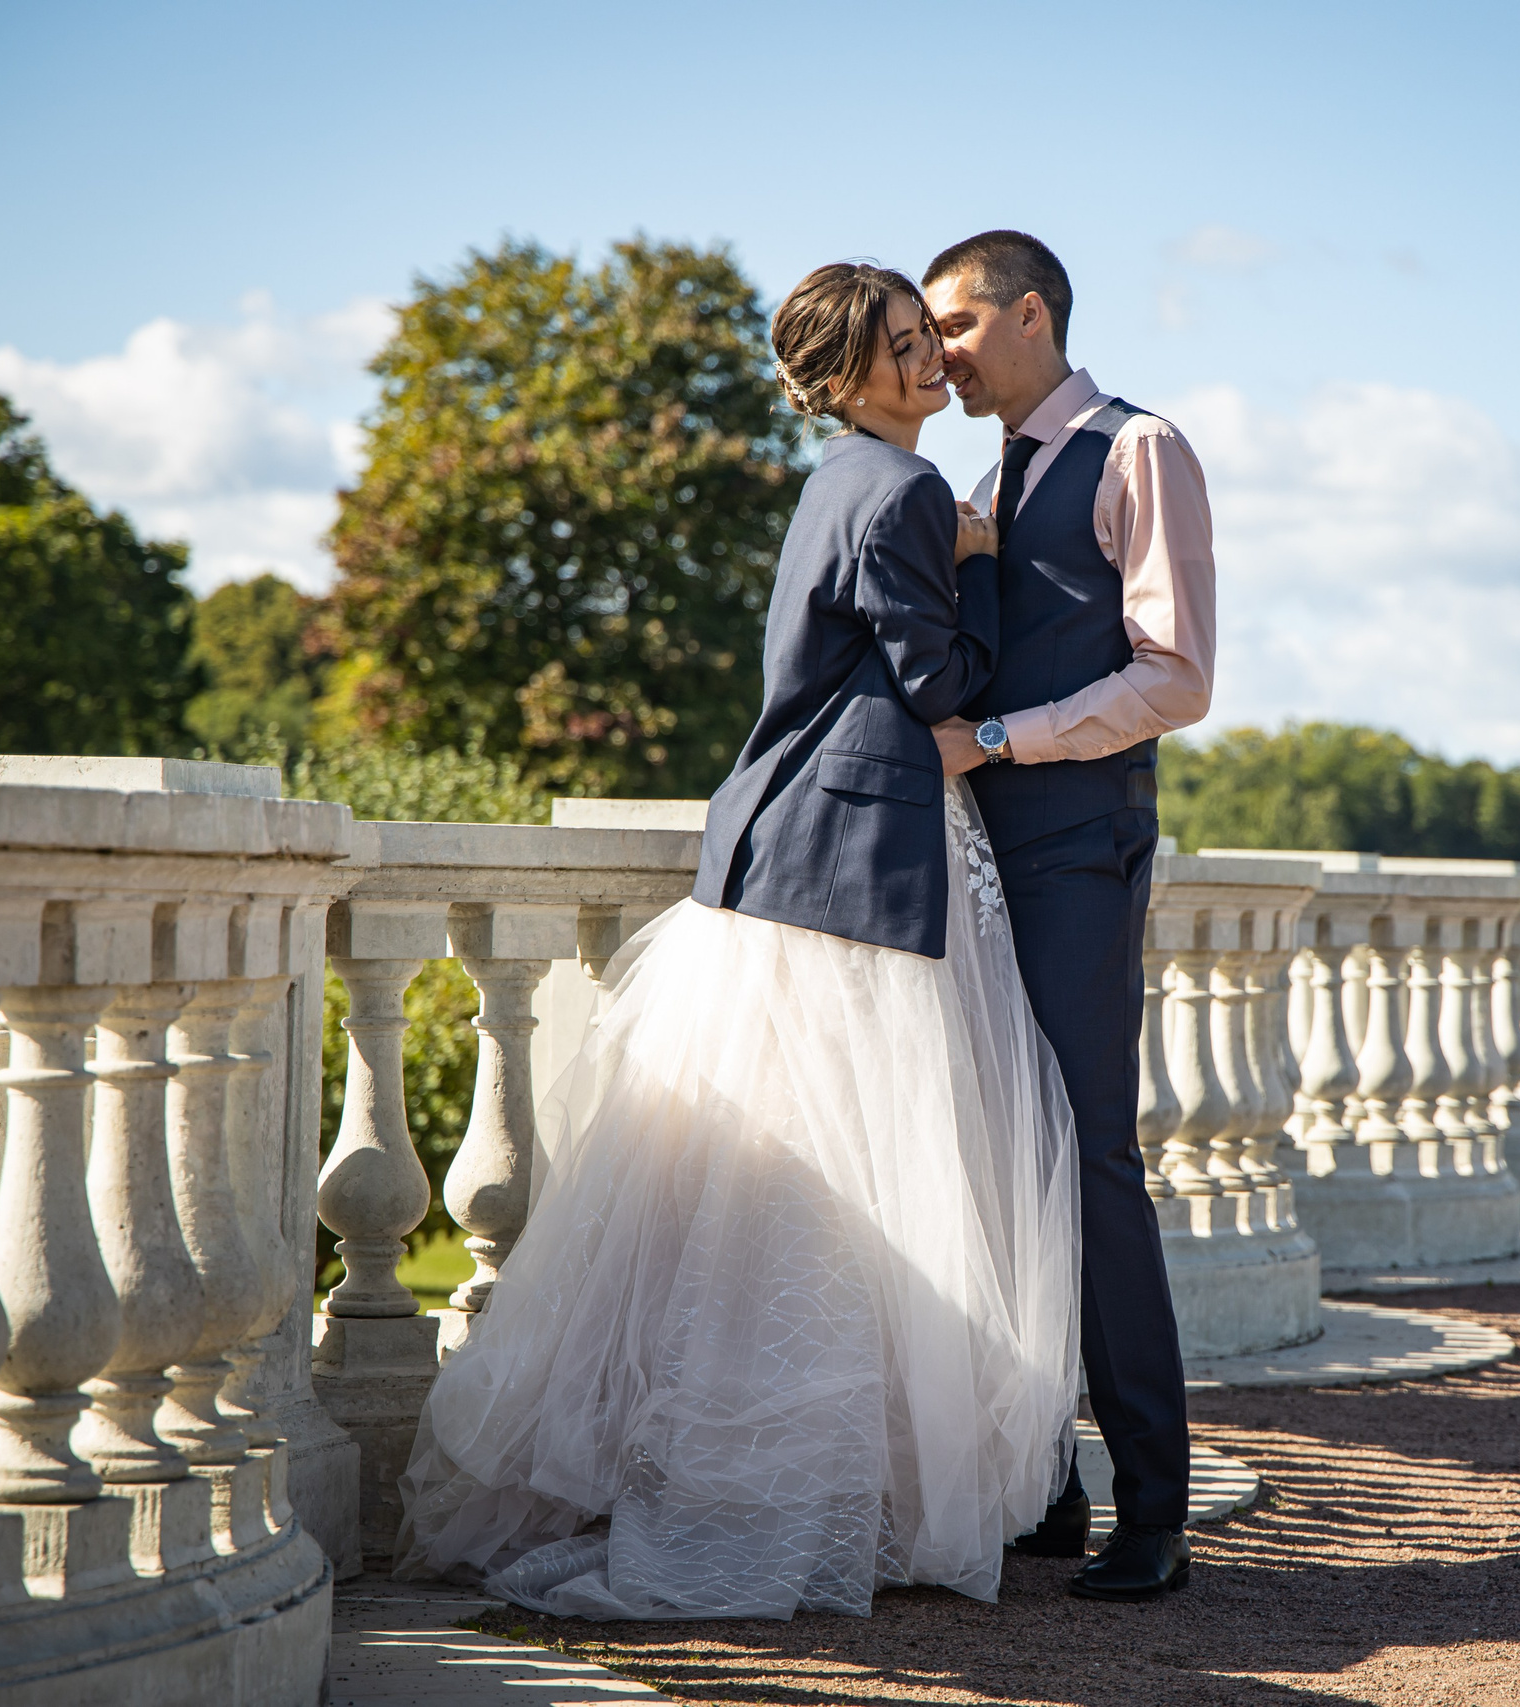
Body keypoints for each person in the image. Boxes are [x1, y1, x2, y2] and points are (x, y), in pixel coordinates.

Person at [393, 262, 1083, 1621]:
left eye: (920, 340)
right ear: (839, 380)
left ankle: (801, 1487)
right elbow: (944, 682)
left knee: (773, 1203)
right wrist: (990, 570)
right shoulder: (900, 494)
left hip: (803, 853)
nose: (924, 363)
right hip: (853, 869)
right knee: (842, 1193)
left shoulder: (843, 479)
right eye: (896, 349)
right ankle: (786, 1501)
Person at [922, 230, 1218, 1603]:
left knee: (1094, 1159)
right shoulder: (996, 473)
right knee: (1008, 1159)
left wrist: (997, 734)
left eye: (959, 325)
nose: (941, 352)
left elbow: (1175, 677)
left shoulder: (1138, 448)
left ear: (1030, 313)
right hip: (991, 856)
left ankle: (1154, 1507)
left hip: (1081, 851)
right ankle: (1043, 1487)